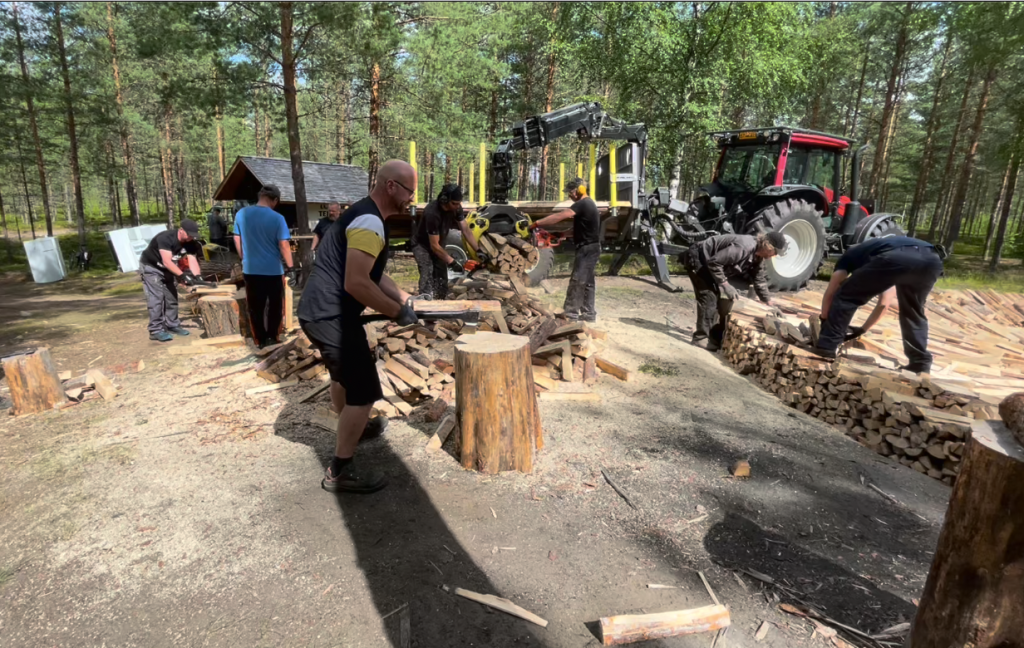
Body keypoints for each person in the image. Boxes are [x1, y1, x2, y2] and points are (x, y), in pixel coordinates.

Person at [298, 160, 420, 494]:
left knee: (344, 376)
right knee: (364, 390)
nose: (412, 198)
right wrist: (397, 312)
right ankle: (340, 472)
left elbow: (374, 273)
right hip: (330, 315)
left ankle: (354, 428)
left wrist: (404, 296)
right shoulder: (369, 221)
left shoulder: (363, 215)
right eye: (410, 190)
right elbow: (356, 283)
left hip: (321, 312)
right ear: (391, 186)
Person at [810, 236, 944, 373]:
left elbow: (832, 292)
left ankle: (827, 347)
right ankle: (920, 364)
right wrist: (862, 329)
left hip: (898, 257)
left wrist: (825, 319)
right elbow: (883, 304)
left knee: (846, 296)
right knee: (913, 310)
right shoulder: (879, 250)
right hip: (932, 261)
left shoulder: (848, 257)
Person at [682, 231, 787, 351]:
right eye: (775, 252)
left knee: (718, 299)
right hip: (699, 258)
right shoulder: (744, 247)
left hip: (709, 263)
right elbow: (714, 262)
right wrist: (725, 285)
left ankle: (712, 336)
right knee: (708, 297)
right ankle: (700, 338)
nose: (775, 256)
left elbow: (759, 280)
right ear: (768, 246)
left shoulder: (758, 256)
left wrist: (769, 303)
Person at [233, 184, 296, 349]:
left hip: (251, 270)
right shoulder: (277, 218)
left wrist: (243, 258)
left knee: (256, 307)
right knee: (275, 306)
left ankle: (259, 340)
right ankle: (272, 338)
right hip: (273, 271)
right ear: (274, 200)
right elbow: (284, 245)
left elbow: (237, 239)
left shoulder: (242, 214)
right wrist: (291, 267)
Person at [528, 177, 600, 321]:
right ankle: (589, 314)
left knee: (577, 280)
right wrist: (561, 234)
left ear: (580, 190)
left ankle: (570, 314)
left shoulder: (583, 203)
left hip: (587, 249)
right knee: (587, 282)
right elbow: (578, 229)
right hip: (591, 247)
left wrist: (536, 224)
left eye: (571, 191)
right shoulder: (588, 204)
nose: (569, 195)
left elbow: (561, 216)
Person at [411, 184, 484, 299]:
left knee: (441, 276)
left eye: (458, 203)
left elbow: (465, 230)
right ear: (444, 200)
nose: (457, 206)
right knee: (427, 271)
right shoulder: (432, 213)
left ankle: (440, 300)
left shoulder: (456, 208)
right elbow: (434, 246)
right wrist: (452, 262)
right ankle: (424, 302)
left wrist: (478, 250)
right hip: (422, 246)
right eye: (454, 203)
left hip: (439, 244)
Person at [138, 218, 204, 342]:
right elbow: (167, 261)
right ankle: (155, 330)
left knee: (171, 297)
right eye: (189, 234)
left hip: (169, 269)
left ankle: (172, 325)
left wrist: (197, 277)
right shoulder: (166, 238)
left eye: (193, 236)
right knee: (156, 298)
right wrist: (183, 276)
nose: (191, 237)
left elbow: (192, 259)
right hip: (152, 267)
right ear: (181, 230)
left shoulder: (190, 242)